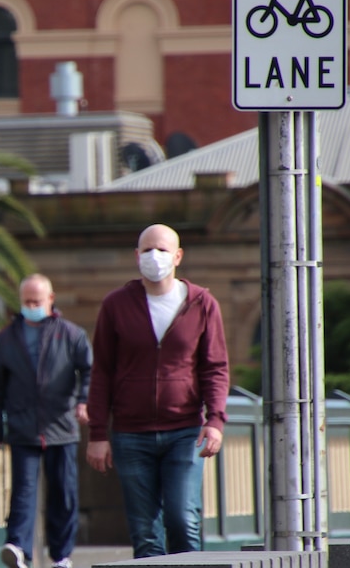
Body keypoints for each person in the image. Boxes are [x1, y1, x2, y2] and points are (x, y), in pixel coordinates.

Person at [85, 223, 230, 558]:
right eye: (147, 249)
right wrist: (97, 433)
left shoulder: (202, 304)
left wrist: (216, 420)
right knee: (145, 532)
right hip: (130, 434)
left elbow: (215, 367)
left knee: (182, 519)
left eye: (162, 250)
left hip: (185, 431)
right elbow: (102, 371)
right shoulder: (115, 305)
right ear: (136, 257)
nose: (155, 256)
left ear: (178, 256)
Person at [0, 274, 93, 568]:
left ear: (50, 299)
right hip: (23, 427)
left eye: (37, 301)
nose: (32, 306)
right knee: (23, 491)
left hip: (62, 427)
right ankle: (18, 547)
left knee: (64, 493)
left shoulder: (71, 334)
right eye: (26, 302)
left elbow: (89, 370)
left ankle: (61, 556)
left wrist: (84, 401)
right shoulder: (7, 338)